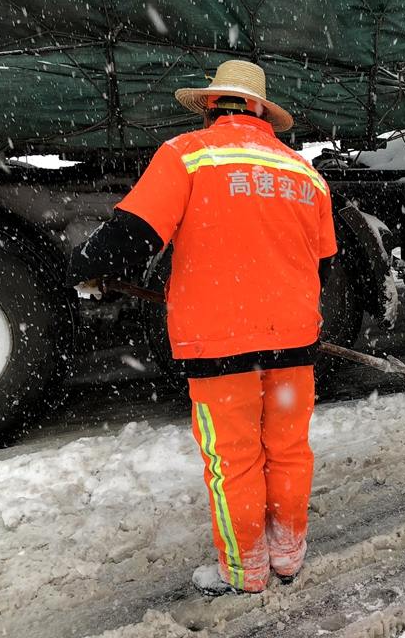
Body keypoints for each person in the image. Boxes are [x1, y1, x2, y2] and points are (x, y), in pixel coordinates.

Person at [66, 60, 337, 596]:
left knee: (233, 460)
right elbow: (322, 266)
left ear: (212, 105)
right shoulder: (307, 176)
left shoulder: (187, 155)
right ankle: (287, 554)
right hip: (294, 344)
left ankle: (244, 571)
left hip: (220, 344)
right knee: (288, 450)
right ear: (260, 111)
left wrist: (87, 269)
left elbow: (134, 235)